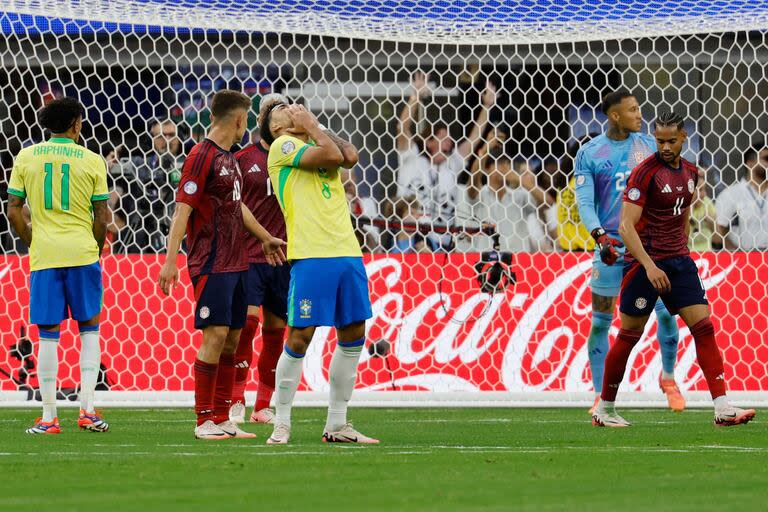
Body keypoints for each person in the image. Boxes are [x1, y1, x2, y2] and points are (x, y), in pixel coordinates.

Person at [593, 112, 756, 427]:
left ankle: (722, 408)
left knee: (704, 327)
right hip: (644, 264)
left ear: (684, 138)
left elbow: (683, 214)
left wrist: (681, 248)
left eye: (671, 140)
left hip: (679, 262)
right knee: (629, 335)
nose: (665, 147)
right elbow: (625, 227)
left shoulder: (692, 172)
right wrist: (650, 265)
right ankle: (604, 409)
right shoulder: (645, 174)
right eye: (659, 141)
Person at [158, 90, 287, 440]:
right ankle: (203, 421)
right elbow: (183, 208)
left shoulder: (230, 158)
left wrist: (263, 236)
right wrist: (171, 261)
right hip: (211, 260)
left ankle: (223, 418)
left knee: (231, 338)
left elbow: (237, 206)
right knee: (214, 336)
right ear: (240, 120)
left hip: (238, 261)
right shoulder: (201, 155)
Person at [261, 102, 378, 445]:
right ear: (274, 127)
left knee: (354, 332)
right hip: (312, 253)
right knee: (299, 336)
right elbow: (333, 156)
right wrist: (311, 126)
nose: (291, 107)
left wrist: (314, 126)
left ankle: (338, 424)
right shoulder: (283, 146)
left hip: (346, 250)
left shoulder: (312, 139)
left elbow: (350, 155)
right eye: (281, 108)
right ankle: (281, 421)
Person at [575, 89, 684, 413]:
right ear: (615, 116)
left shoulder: (651, 147)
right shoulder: (590, 153)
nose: (640, 115)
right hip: (610, 245)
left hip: (649, 246)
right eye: (633, 110)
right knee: (600, 321)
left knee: (666, 313)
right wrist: (599, 238)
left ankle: (668, 377)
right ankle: (599, 395)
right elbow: (584, 202)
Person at [7, 97, 111, 434]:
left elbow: (13, 211)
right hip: (82, 254)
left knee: (48, 336)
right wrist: (94, 248)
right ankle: (88, 412)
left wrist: (31, 240)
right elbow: (102, 216)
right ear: (77, 124)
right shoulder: (93, 161)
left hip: (45, 256)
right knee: (89, 329)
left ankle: (50, 417)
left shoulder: (26, 156)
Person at [228, 93, 292, 425]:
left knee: (276, 333)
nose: (273, 116)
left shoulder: (297, 158)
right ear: (261, 120)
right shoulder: (243, 157)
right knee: (246, 327)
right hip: (250, 254)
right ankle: (236, 397)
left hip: (285, 256)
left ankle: (263, 405)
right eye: (268, 111)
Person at [396, 71, 496, 249]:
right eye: (444, 137)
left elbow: (473, 139)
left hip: (442, 244)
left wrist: (487, 107)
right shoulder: (410, 159)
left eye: (451, 139)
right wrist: (416, 97)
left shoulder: (450, 166)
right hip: (408, 239)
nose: (450, 142)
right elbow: (402, 127)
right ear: (429, 141)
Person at [713, 143, 768, 251]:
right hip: (744, 260)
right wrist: (735, 252)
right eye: (766, 158)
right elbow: (718, 230)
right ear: (750, 163)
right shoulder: (731, 194)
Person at [689, 175, 716, 252]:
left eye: (705, 189)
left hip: (707, 253)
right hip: (687, 254)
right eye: (700, 190)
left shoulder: (707, 203)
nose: (704, 194)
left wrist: (712, 224)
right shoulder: (681, 207)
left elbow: (718, 240)